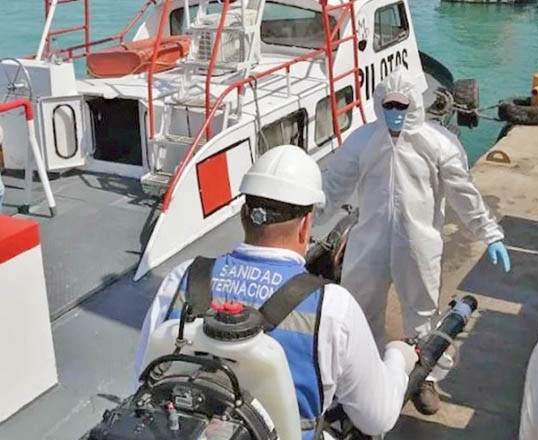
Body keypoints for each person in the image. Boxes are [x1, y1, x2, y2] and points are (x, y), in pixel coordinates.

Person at [134, 145, 418, 439]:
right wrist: (399, 358)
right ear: (306, 224)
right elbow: (377, 418)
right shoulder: (331, 306)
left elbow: (143, 381)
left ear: (243, 215)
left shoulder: (183, 277)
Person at [317, 67, 511, 414]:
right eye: (389, 105)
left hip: (419, 245)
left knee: (422, 311)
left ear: (414, 105)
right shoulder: (362, 141)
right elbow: (333, 188)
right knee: (359, 308)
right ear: (379, 103)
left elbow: (463, 194)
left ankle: (425, 377)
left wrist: (490, 233)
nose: (395, 112)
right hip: (369, 243)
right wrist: (302, 218)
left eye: (401, 105)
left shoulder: (438, 143)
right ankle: (364, 375)